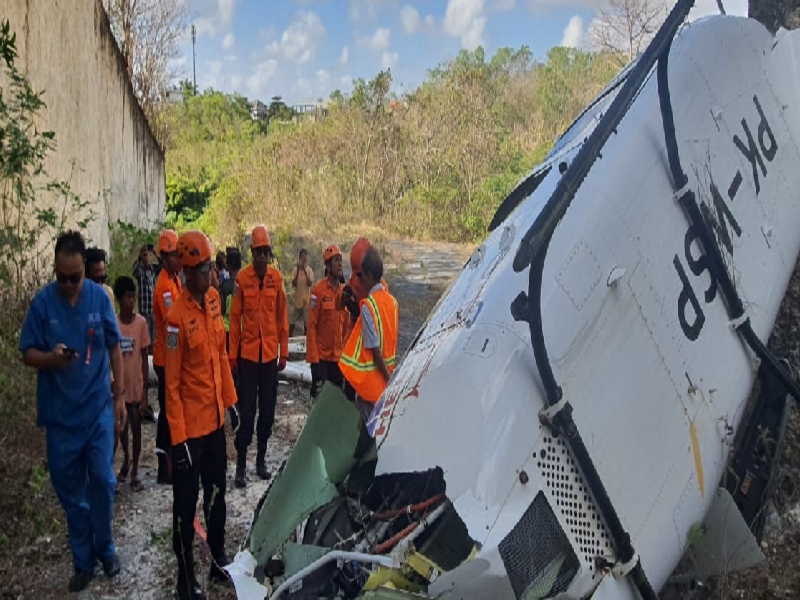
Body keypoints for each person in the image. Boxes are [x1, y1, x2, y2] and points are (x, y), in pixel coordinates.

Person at [19, 231, 125, 592]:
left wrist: (120, 396)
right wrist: (51, 359)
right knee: (71, 494)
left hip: (96, 412)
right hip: (62, 418)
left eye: (75, 277)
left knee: (103, 481)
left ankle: (106, 548)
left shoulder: (99, 298)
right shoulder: (43, 304)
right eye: (61, 277)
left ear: (84, 270)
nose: (68, 284)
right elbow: (26, 351)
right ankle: (84, 560)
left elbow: (114, 346)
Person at [165, 231, 236, 600]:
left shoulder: (212, 301)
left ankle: (218, 559)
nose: (211, 272)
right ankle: (185, 578)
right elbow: (172, 386)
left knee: (217, 495)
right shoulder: (176, 319)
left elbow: (220, 356)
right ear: (187, 271)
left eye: (211, 264)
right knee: (185, 507)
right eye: (204, 266)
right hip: (190, 434)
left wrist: (231, 401)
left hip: (214, 425)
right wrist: (178, 441)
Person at [229, 226, 289, 488]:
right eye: (258, 252)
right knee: (247, 411)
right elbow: (234, 319)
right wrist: (232, 356)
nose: (262, 257)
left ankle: (261, 460)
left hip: (269, 359)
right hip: (248, 357)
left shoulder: (277, 280)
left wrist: (283, 351)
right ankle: (241, 464)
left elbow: (282, 318)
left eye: (265, 252)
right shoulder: (242, 280)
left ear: (269, 254)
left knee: (267, 411)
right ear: (252, 253)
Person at [339, 247, 399, 423]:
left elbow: (375, 350)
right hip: (386, 382)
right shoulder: (393, 302)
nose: (361, 280)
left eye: (362, 275)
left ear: (370, 276)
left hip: (371, 387)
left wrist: (388, 380)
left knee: (367, 436)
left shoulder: (368, 306)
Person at [113, 276, 150, 493]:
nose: (131, 301)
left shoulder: (141, 324)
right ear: (119, 300)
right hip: (120, 387)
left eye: (133, 297)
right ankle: (126, 458)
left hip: (136, 385)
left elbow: (144, 357)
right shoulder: (115, 324)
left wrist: (145, 388)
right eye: (127, 297)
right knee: (122, 429)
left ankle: (135, 469)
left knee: (136, 427)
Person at [153, 229, 181, 484]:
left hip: (172, 357)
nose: (178, 260)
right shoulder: (164, 287)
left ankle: (170, 460)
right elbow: (174, 319)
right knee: (166, 412)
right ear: (164, 258)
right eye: (174, 255)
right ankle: (164, 466)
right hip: (164, 360)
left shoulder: (174, 281)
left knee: (172, 410)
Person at [307, 245, 347, 399]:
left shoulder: (344, 292)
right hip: (321, 360)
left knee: (334, 402)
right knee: (319, 401)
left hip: (338, 360)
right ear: (328, 265)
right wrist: (314, 359)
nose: (340, 264)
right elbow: (311, 325)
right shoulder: (319, 291)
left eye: (341, 261)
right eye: (336, 261)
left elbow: (346, 326)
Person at [340, 237, 388, 341]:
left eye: (361, 274)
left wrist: (358, 313)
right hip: (354, 328)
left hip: (369, 336)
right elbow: (339, 307)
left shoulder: (381, 288)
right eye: (357, 274)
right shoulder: (355, 278)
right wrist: (345, 297)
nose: (360, 278)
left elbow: (377, 323)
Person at [132, 244, 157, 346]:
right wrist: (140, 256)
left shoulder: (153, 270)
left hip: (154, 310)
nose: (147, 258)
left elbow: (164, 264)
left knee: (154, 338)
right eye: (145, 256)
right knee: (146, 339)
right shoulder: (140, 272)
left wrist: (154, 251)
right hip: (145, 311)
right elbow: (134, 269)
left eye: (148, 255)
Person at [289, 248, 313, 336]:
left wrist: (305, 272)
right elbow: (294, 283)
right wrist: (299, 271)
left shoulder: (309, 270)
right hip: (298, 301)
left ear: (306, 258)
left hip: (306, 301)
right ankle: (288, 337)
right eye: (302, 256)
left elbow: (309, 283)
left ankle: (307, 340)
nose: (303, 258)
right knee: (293, 321)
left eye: (305, 256)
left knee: (307, 322)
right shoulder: (295, 270)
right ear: (299, 258)